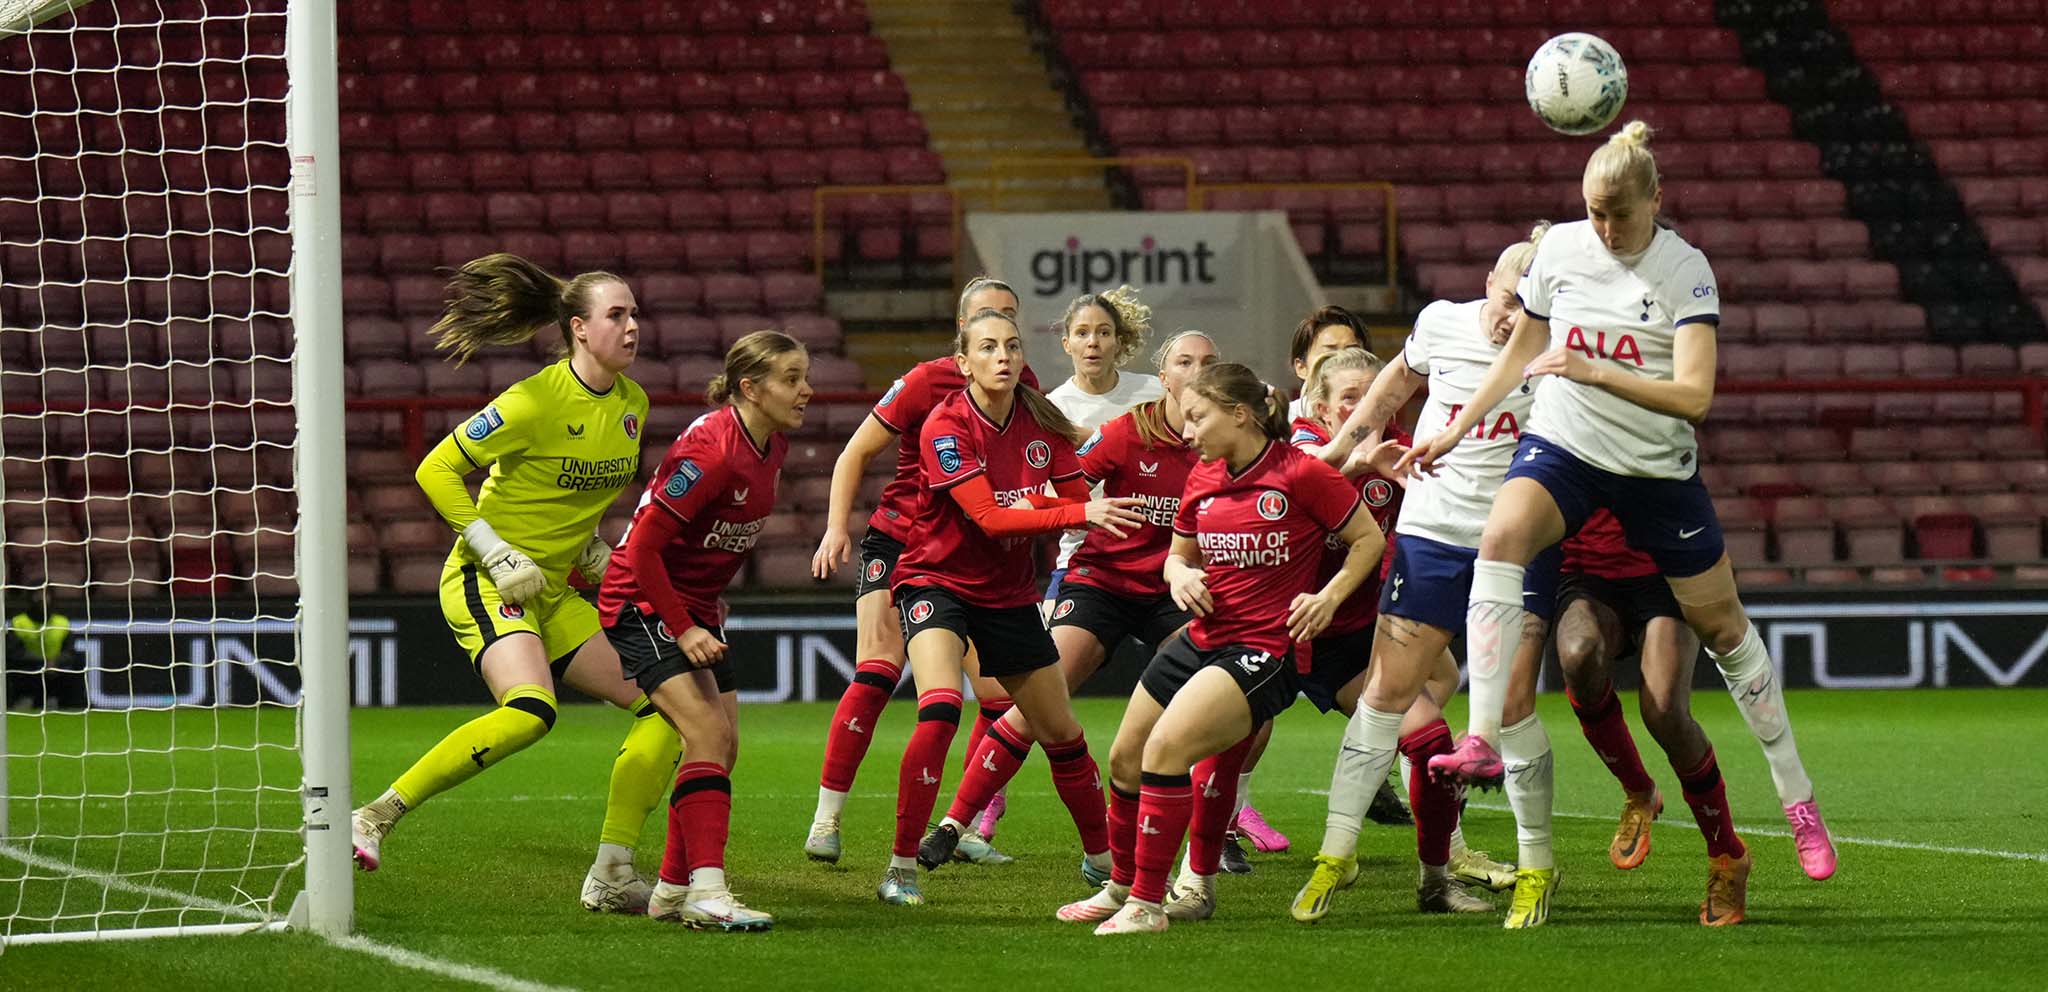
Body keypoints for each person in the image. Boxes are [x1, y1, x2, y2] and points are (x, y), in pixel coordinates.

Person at [1407, 122, 1836, 929]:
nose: (1605, 229)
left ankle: (1796, 798)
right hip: (1567, 449)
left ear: (1656, 199)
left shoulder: (1684, 270)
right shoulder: (1561, 252)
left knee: (1714, 643)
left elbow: (1696, 396)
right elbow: (1522, 350)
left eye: (1620, 214)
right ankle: (1483, 736)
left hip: (1654, 474)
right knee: (1503, 540)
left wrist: (1596, 369)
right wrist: (1458, 428)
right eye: (1594, 213)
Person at [349, 254, 680, 916]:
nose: (632, 327)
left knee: (668, 708)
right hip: (486, 579)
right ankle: (374, 815)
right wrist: (495, 552)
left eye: (635, 314)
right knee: (532, 709)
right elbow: (435, 469)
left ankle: (613, 873)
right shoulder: (532, 400)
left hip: (552, 590)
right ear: (579, 328)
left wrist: (592, 552)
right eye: (617, 315)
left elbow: (570, 501)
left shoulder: (632, 405)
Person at [1291, 226, 1565, 928]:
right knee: (1385, 694)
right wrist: (1342, 447)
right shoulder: (1442, 322)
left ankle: (1536, 867)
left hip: (1518, 537)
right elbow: (1396, 382)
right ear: (1489, 283)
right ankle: (1335, 855)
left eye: (1528, 306)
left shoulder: (1560, 351)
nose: (1512, 318)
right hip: (1433, 534)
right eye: (1507, 300)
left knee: (1512, 709)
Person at [1077, 362, 1386, 936]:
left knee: (1165, 750)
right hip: (1203, 636)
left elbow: (1368, 538)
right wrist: (1178, 575)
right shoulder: (1204, 474)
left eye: (1198, 417)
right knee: (1124, 757)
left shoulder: (1302, 473)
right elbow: (1178, 555)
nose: (1188, 431)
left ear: (1240, 414)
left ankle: (1147, 904)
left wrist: (1329, 596)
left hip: (1265, 649)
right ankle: (1120, 887)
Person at [930, 329, 1216, 921]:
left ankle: (1200, 861)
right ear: (1163, 378)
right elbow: (1058, 493)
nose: (1198, 370)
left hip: (1172, 589)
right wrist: (1068, 509)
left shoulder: (1223, 444)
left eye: (1209, 363)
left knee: (1206, 703)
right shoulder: (1125, 433)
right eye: (1185, 361)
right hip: (1101, 582)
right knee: (1042, 700)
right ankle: (956, 822)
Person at [876, 309, 1146, 906]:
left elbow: (1073, 498)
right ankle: (900, 867)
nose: (1003, 356)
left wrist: (1061, 507)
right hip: (936, 582)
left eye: (1013, 346)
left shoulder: (1042, 421)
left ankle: (1103, 863)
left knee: (1063, 734)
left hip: (1008, 594)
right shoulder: (945, 424)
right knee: (941, 709)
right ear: (964, 361)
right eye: (988, 347)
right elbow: (992, 520)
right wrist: (1071, 511)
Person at [803, 277, 1037, 867]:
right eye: (986, 316)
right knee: (879, 670)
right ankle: (827, 818)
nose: (1000, 330)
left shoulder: (1024, 385)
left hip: (971, 555)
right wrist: (835, 528)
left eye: (1009, 317)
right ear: (962, 329)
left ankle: (959, 826)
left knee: (997, 695)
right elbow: (855, 451)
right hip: (901, 538)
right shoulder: (926, 381)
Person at [596, 330, 811, 932]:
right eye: (791, 379)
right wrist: (682, 626)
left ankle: (670, 890)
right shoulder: (712, 452)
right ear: (751, 388)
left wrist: (703, 609)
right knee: (708, 735)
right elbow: (642, 550)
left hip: (695, 607)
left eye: (805, 376)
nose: (806, 391)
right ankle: (708, 893)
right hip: (643, 602)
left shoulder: (771, 444)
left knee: (722, 745)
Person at [1237, 302, 1406, 858]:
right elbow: (1304, 478)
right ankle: (1213, 836)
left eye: (1354, 352)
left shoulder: (1394, 439)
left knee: (1420, 705)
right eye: (1330, 354)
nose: (1343, 361)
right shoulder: (1289, 432)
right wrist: (1357, 463)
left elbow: (1392, 533)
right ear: (1308, 378)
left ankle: (1436, 858)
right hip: (1282, 616)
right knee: (1245, 727)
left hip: (1347, 622)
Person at [6, 598, 85, 711]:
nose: (41, 599)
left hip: (56, 667)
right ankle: (25, 698)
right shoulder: (18, 622)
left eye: (45, 594)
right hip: (28, 667)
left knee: (77, 662)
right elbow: (13, 651)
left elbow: (69, 651)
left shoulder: (61, 622)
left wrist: (55, 661)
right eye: (37, 594)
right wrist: (43, 661)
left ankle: (63, 701)